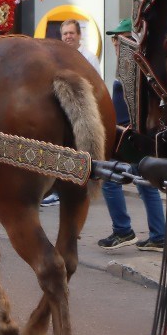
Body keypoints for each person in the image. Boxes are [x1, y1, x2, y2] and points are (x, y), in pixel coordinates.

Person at [98, 19, 166, 250]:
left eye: (120, 38)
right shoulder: (131, 66)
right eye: (114, 39)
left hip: (131, 137)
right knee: (146, 184)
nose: (116, 43)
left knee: (110, 180)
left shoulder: (137, 67)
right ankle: (157, 235)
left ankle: (123, 231)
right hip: (130, 135)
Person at [44, 19, 99, 206]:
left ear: (79, 36)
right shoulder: (58, 57)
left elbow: (95, 86)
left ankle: (80, 187)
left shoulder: (88, 58)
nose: (68, 36)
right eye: (65, 33)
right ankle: (59, 189)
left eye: (71, 33)